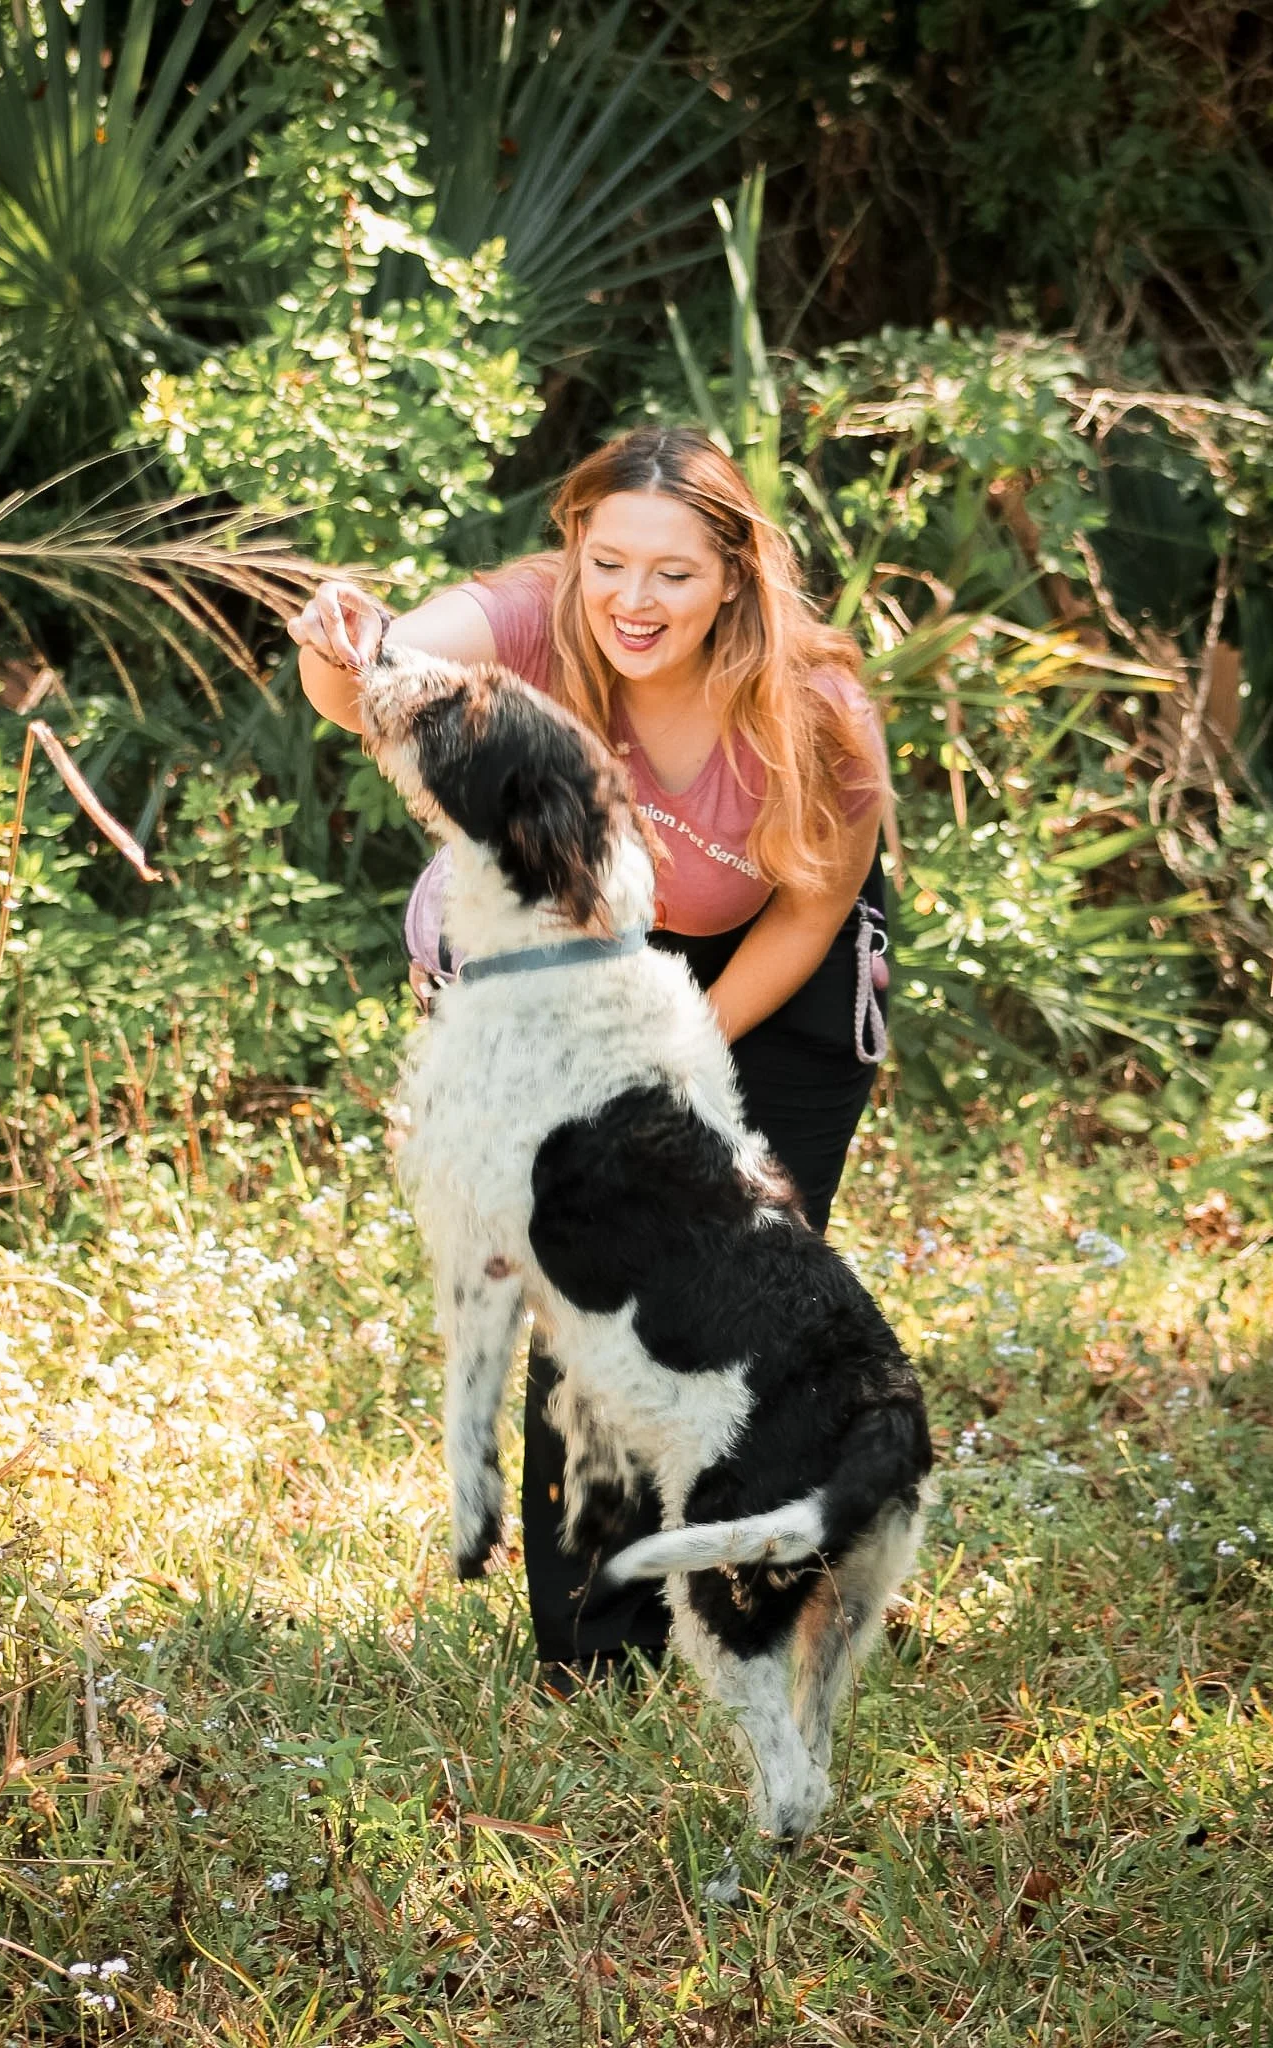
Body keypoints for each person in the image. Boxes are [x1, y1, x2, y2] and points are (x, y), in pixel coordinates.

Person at [288, 424, 891, 1686]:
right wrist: (335, 641)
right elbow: (371, 684)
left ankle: (767, 1584)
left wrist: (675, 1068)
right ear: (574, 550)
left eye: (673, 571)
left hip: (776, 956)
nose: (633, 598)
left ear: (733, 573)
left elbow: (807, 910)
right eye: (608, 560)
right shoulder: (525, 619)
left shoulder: (818, 708)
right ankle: (599, 1655)